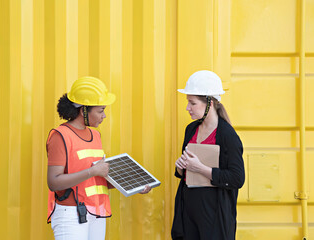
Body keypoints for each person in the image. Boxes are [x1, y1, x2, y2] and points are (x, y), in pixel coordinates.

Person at [46, 76, 151, 240]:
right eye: (101, 110)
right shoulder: (61, 136)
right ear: (83, 110)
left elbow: (97, 179)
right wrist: (92, 171)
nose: (104, 116)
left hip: (95, 212)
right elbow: (53, 182)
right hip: (71, 214)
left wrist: (134, 184)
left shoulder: (95, 135)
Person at [171, 70, 245, 240]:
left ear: (209, 103)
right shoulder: (191, 129)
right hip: (188, 213)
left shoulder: (228, 136)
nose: (187, 108)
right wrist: (180, 167)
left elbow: (237, 178)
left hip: (214, 214)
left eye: (192, 103)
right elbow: (183, 173)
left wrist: (201, 168)